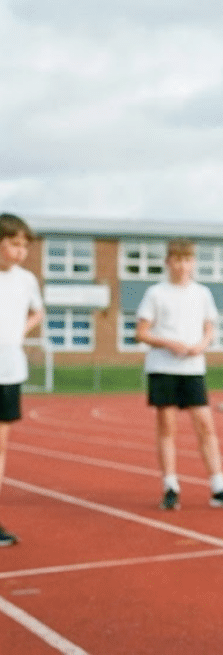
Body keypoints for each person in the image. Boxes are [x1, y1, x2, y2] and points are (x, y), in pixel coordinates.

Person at [135, 239, 223, 512]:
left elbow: (209, 328)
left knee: (205, 426)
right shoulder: (155, 293)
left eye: (188, 260)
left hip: (193, 369)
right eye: (178, 260)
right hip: (163, 368)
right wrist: (169, 343)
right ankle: (170, 486)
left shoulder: (202, 293)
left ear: (193, 263)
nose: (183, 266)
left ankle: (218, 487)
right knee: (167, 428)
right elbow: (141, 332)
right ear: (168, 263)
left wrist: (202, 344)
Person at [0, 213, 44, 546]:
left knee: (1, 444)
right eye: (14, 243)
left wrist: (18, 333)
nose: (21, 250)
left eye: (25, 245)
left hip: (9, 367)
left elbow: (37, 311)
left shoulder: (26, 280)